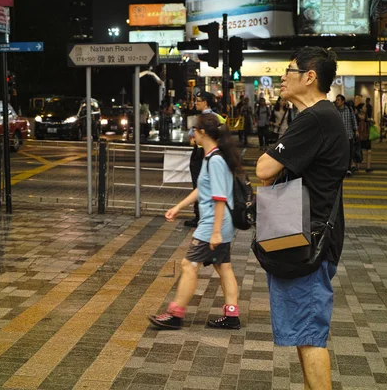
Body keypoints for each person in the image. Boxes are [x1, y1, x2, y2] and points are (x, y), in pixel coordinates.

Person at [255, 47, 348, 389]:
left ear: (310, 77)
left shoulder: (315, 119)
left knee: (310, 334)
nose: (282, 76)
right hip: (307, 233)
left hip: (306, 240)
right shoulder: (318, 116)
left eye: (289, 70)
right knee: (304, 331)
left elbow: (264, 169)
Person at [149, 113, 241, 330]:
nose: (191, 134)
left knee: (188, 265)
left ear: (202, 133)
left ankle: (175, 314)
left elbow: (219, 198)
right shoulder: (212, 158)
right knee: (223, 266)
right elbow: (203, 190)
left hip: (213, 223)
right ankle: (231, 314)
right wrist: (178, 207)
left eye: (194, 130)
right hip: (218, 222)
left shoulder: (216, 160)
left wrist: (216, 232)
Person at [184, 92, 225, 228]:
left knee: (200, 184)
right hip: (207, 152)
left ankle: (200, 216)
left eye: (198, 100)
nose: (196, 103)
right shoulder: (215, 117)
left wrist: (194, 138)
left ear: (206, 102)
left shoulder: (204, 118)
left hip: (200, 152)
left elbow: (191, 135)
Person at [334, 94, 359, 175]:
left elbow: (353, 119)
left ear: (343, 101)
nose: (336, 101)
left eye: (338, 100)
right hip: (339, 136)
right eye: (336, 100)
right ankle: (340, 168)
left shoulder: (349, 109)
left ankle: (348, 168)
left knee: (349, 153)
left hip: (349, 135)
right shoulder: (334, 110)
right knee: (339, 153)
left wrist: (356, 130)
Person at [355, 104, 374, 172]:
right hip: (358, 136)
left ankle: (368, 167)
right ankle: (357, 167)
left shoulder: (367, 116)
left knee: (369, 151)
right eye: (364, 107)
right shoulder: (356, 116)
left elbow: (373, 122)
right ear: (361, 109)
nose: (365, 108)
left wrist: (371, 120)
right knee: (358, 151)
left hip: (366, 136)